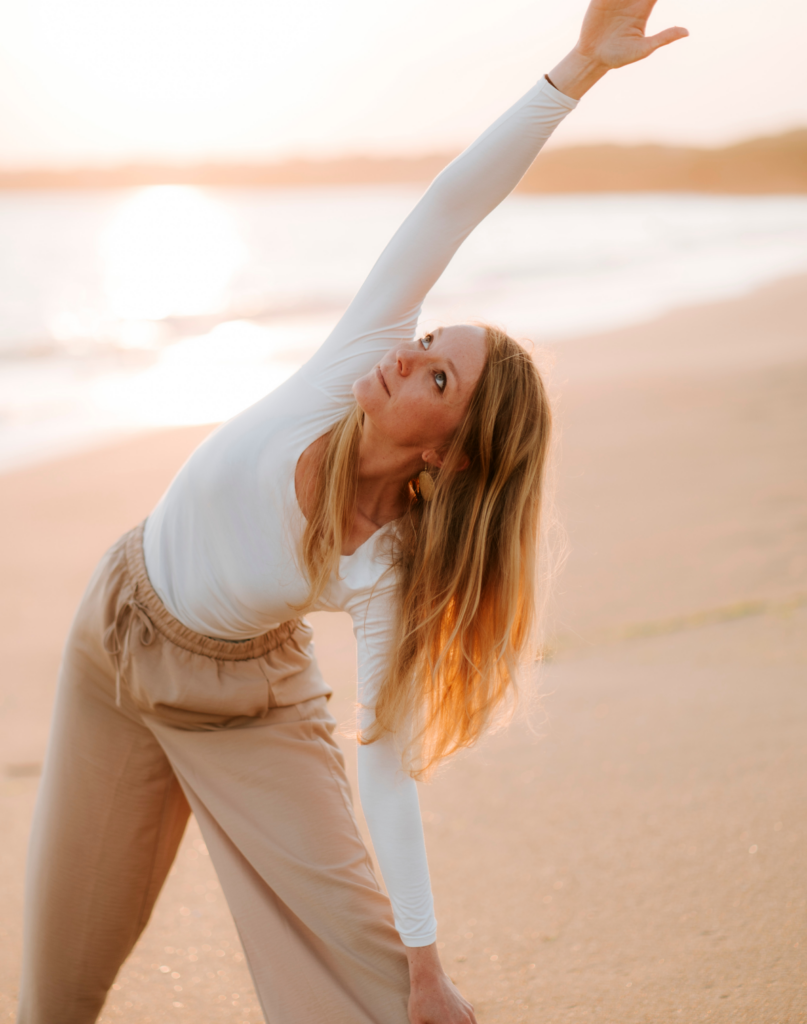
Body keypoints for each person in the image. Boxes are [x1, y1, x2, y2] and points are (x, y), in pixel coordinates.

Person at [16, 2, 687, 1022]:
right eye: (427, 341)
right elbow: (453, 205)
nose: (406, 355)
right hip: (113, 642)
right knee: (58, 989)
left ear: (451, 446)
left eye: (435, 375)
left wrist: (427, 965)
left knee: (382, 992)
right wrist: (577, 72)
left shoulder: (384, 567)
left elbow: (387, 772)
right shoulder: (350, 363)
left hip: (250, 702)